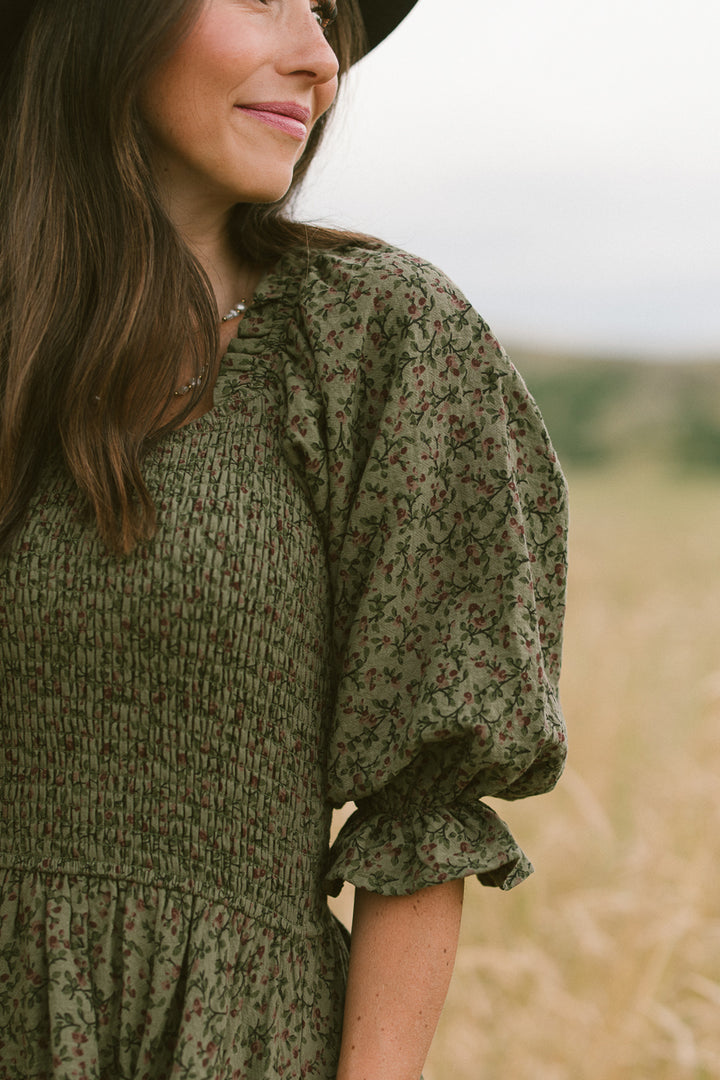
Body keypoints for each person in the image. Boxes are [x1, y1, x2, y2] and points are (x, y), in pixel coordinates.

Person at [0, 1, 568, 1077]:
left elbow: (421, 806)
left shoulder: (379, 344)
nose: (319, 57)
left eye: (327, 14)